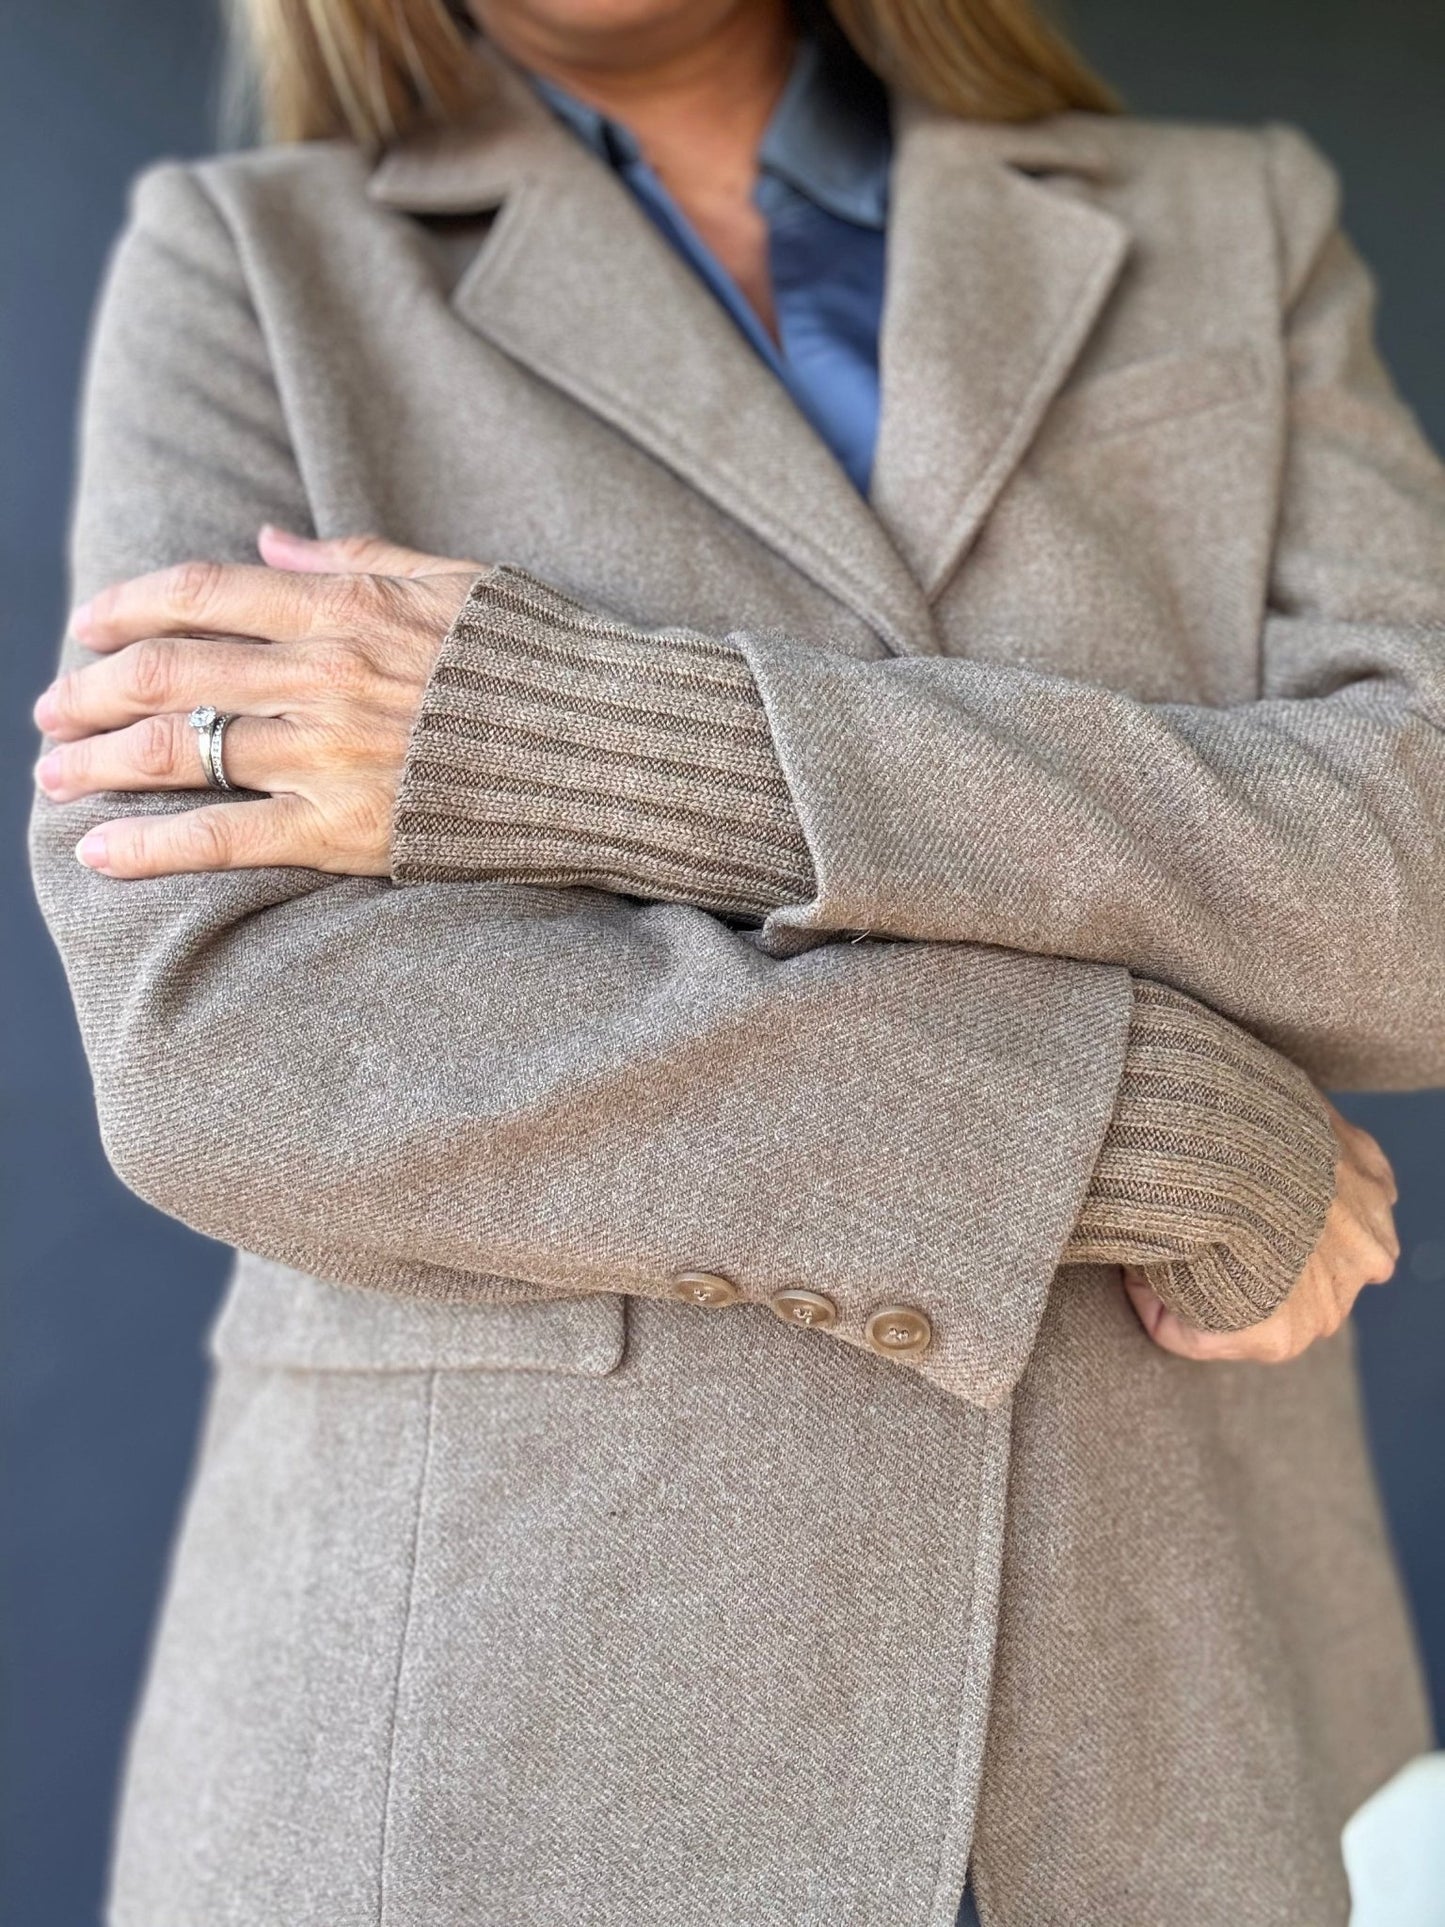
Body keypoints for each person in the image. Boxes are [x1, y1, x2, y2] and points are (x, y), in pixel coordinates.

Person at [28, 0, 1443, 1920]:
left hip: (1175, 1709)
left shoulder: (1229, 220)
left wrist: (596, 735)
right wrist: (1109, 1128)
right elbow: (227, 1036)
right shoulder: (254, 260)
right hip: (494, 1737)